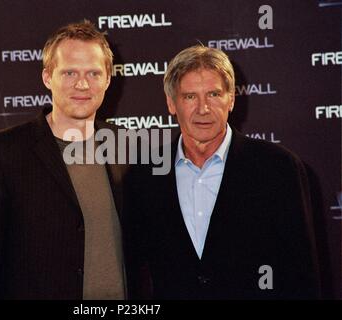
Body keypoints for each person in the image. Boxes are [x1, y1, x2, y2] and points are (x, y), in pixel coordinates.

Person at [124, 45, 321, 299]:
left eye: (214, 94)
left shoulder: (279, 168)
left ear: (231, 99)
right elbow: (135, 275)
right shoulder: (144, 176)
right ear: (171, 104)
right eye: (190, 97)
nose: (203, 108)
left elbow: (302, 275)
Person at [0, 20, 129, 299]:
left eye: (94, 73)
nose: (82, 84)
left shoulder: (127, 147)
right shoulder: (0, 152)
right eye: (69, 73)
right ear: (47, 77)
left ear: (108, 79)